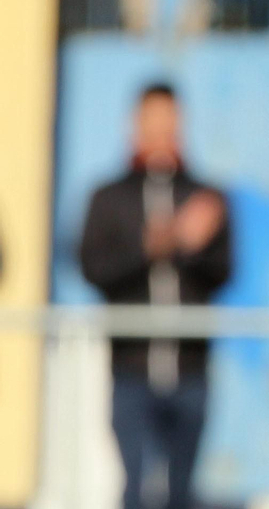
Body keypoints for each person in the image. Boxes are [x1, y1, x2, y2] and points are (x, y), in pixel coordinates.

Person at [80, 82, 232, 509]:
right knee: (137, 486)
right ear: (135, 124)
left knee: (180, 491)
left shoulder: (205, 197)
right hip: (131, 367)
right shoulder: (109, 197)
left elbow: (224, 272)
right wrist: (151, 248)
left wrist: (189, 243)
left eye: (170, 120)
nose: (162, 130)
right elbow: (94, 268)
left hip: (190, 369)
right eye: (153, 119)